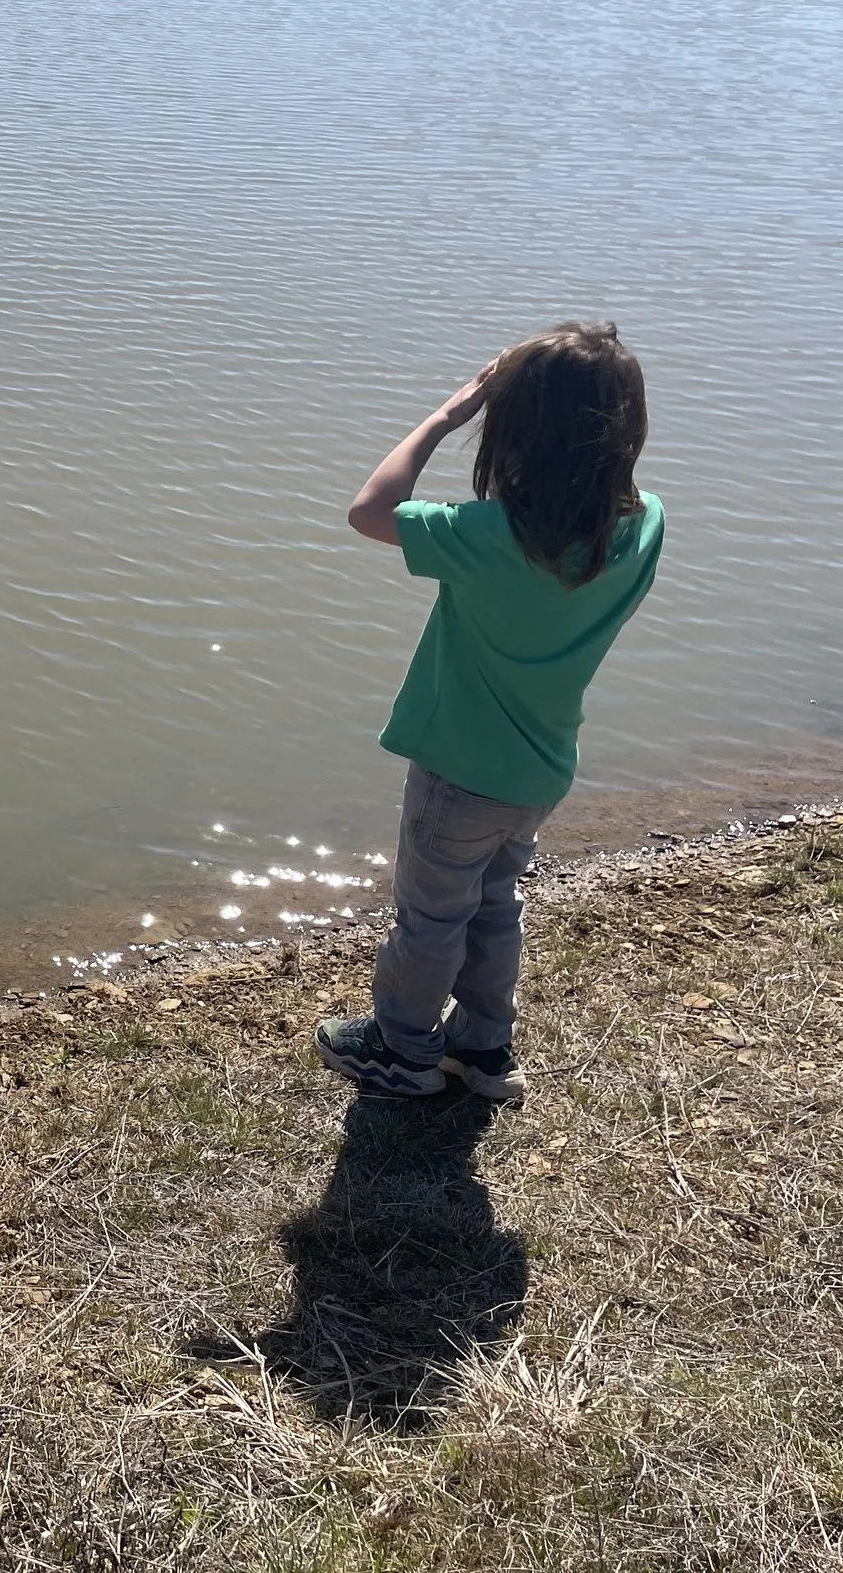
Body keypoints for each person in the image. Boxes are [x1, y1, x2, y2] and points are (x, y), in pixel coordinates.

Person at [317, 322, 661, 1104]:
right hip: (541, 767)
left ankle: (401, 1049)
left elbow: (370, 509)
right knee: (496, 902)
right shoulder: (643, 527)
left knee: (430, 918)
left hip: (457, 771)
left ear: (514, 433)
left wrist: (444, 417)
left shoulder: (487, 535)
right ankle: (484, 1047)